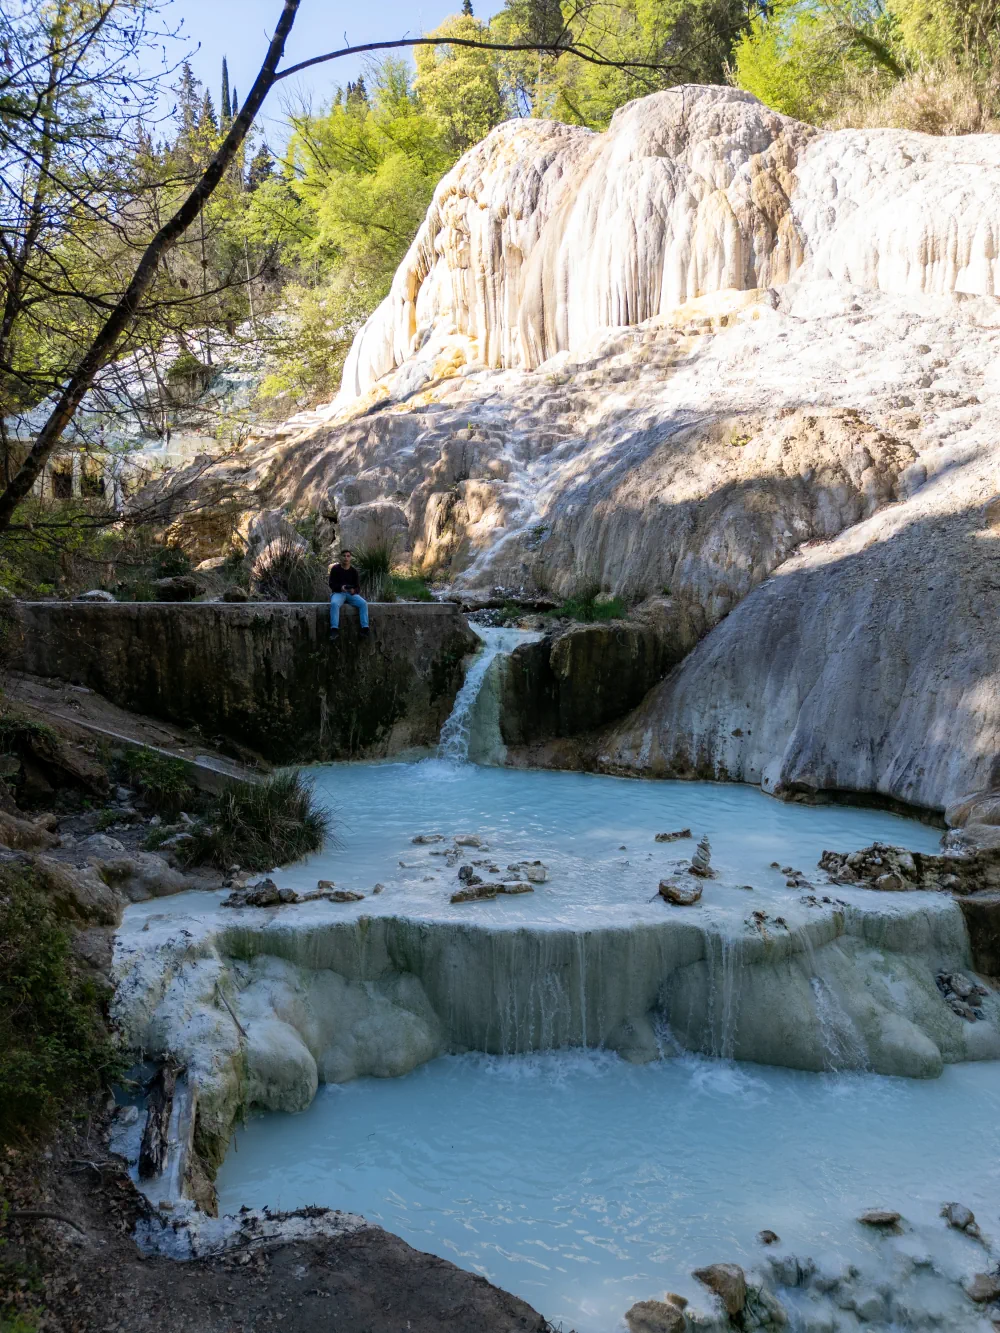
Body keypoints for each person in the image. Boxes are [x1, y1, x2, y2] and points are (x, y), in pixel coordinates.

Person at [328, 549, 370, 641]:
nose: (346, 558)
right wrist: (340, 588)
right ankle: (334, 629)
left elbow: (358, 587)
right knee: (334, 604)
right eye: (344, 556)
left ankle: (365, 628)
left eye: (348, 556)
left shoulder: (354, 571)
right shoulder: (335, 569)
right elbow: (331, 584)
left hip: (351, 594)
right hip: (338, 593)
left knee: (363, 603)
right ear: (340, 557)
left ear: (350, 558)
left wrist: (353, 591)